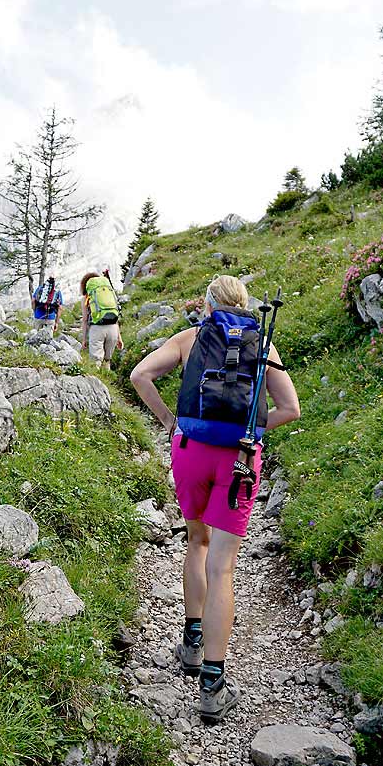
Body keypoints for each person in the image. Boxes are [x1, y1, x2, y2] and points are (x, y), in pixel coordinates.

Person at [129, 275, 300, 723]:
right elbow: (291, 409)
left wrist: (170, 419)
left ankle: (191, 641)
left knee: (196, 543)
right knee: (223, 564)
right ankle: (212, 684)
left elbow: (139, 374)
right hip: (240, 461)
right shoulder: (263, 346)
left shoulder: (190, 338)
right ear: (245, 306)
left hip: (190, 452)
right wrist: (253, 433)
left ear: (207, 307)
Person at [80, 271, 122, 369]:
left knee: (95, 361)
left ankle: (97, 382)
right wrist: (119, 338)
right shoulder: (109, 294)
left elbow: (85, 320)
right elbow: (116, 315)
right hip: (113, 328)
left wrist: (84, 339)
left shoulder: (87, 297)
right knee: (107, 360)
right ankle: (107, 379)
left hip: (97, 328)